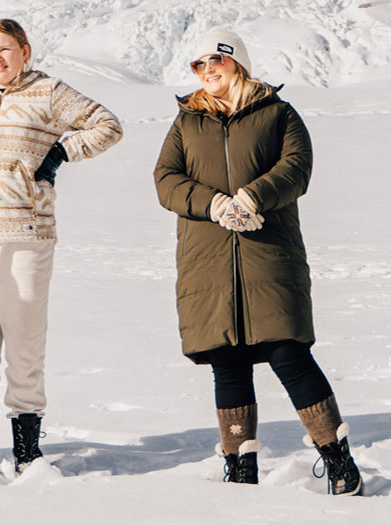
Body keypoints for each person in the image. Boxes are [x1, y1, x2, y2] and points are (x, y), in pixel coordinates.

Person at [150, 29, 362, 495]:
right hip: (207, 260)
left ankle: (339, 461)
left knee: (289, 353)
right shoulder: (187, 122)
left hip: (270, 253)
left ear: (237, 63)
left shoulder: (277, 114)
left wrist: (252, 197)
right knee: (227, 363)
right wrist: (213, 205)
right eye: (198, 65)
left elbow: (297, 166)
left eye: (215, 61)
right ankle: (240, 469)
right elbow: (166, 179)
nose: (208, 71)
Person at [0, 19, 123, 474]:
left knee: (23, 342)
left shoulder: (49, 91)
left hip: (27, 233)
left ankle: (26, 449)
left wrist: (59, 154)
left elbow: (108, 125)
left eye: (5, 49)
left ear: (25, 50)